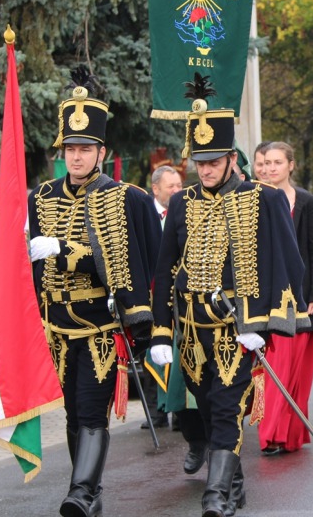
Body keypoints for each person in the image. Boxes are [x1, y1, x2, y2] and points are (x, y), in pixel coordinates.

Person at [149, 75, 309, 517]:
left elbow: (286, 265)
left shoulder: (265, 198)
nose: (205, 169)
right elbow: (165, 269)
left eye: (213, 161)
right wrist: (162, 332)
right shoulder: (181, 203)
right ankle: (234, 482)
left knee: (226, 408)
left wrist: (263, 323)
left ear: (231, 158)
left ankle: (215, 496)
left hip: (238, 327)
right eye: (199, 162)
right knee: (206, 405)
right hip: (192, 329)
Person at [27, 68, 161, 517]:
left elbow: (141, 262)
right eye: (71, 149)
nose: (77, 156)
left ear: (101, 152)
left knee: (90, 410)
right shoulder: (41, 197)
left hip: (102, 324)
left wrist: (68, 251)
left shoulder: (130, 198)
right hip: (54, 327)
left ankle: (81, 493)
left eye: (85, 149)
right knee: (70, 413)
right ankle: (87, 488)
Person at [258, 141, 313, 454]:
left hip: (302, 298)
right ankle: (271, 434)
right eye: (267, 163)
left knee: (298, 372)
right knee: (277, 369)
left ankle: (292, 435)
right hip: (269, 297)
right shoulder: (254, 199)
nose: (271, 168)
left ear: (290, 165)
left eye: (277, 163)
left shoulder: (306, 201)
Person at [141, 165, 185, 431]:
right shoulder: (143, 213)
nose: (177, 191)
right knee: (151, 351)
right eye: (172, 186)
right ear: (155, 189)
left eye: (179, 185)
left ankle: (179, 409)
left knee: (179, 351)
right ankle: (155, 412)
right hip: (149, 294)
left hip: (177, 294)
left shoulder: (186, 210)